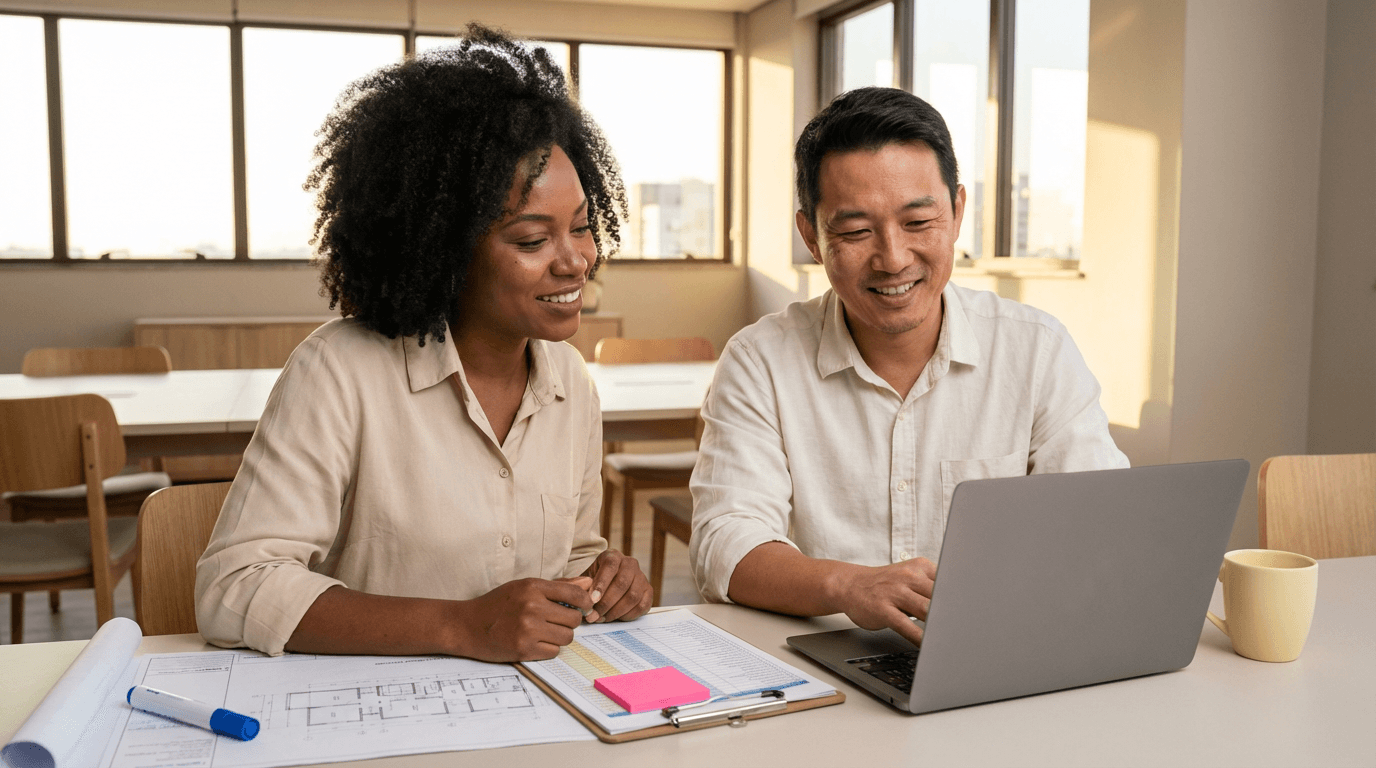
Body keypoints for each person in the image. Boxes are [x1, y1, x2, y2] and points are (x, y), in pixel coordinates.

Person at [196, 26, 652, 661]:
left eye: (580, 227)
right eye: (530, 240)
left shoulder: (568, 379)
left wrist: (604, 578)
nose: (575, 261)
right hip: (370, 714)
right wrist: (462, 626)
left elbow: (571, 555)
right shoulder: (339, 372)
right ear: (444, 248)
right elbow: (235, 587)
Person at [689, 87, 1128, 647]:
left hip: (999, 652)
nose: (893, 257)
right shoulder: (761, 361)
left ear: (957, 211)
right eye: (854, 232)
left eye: (919, 222)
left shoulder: (1036, 350)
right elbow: (725, 542)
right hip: (823, 664)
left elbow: (1102, 520)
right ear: (811, 238)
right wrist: (849, 586)